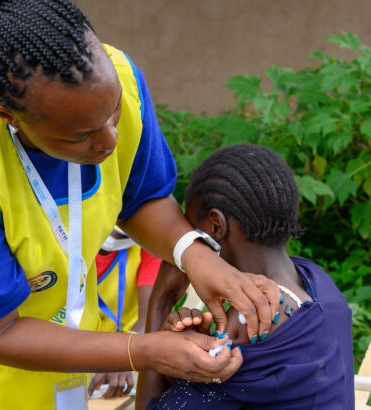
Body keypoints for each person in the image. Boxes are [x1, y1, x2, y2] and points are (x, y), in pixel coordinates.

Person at [0, 1, 281, 409]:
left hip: (19, 319)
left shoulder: (111, 81)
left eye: (113, 113)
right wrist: (144, 350)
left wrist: (194, 255)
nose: (109, 141)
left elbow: (141, 198)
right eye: (79, 135)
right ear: (7, 114)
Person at [137, 144, 355, 409]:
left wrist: (161, 300)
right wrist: (178, 362)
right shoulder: (318, 281)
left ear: (216, 225)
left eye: (191, 230)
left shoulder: (248, 318)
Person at [88, 229, 162, 398]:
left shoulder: (149, 245)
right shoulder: (65, 244)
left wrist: (124, 355)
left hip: (130, 346)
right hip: (73, 349)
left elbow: (150, 317)